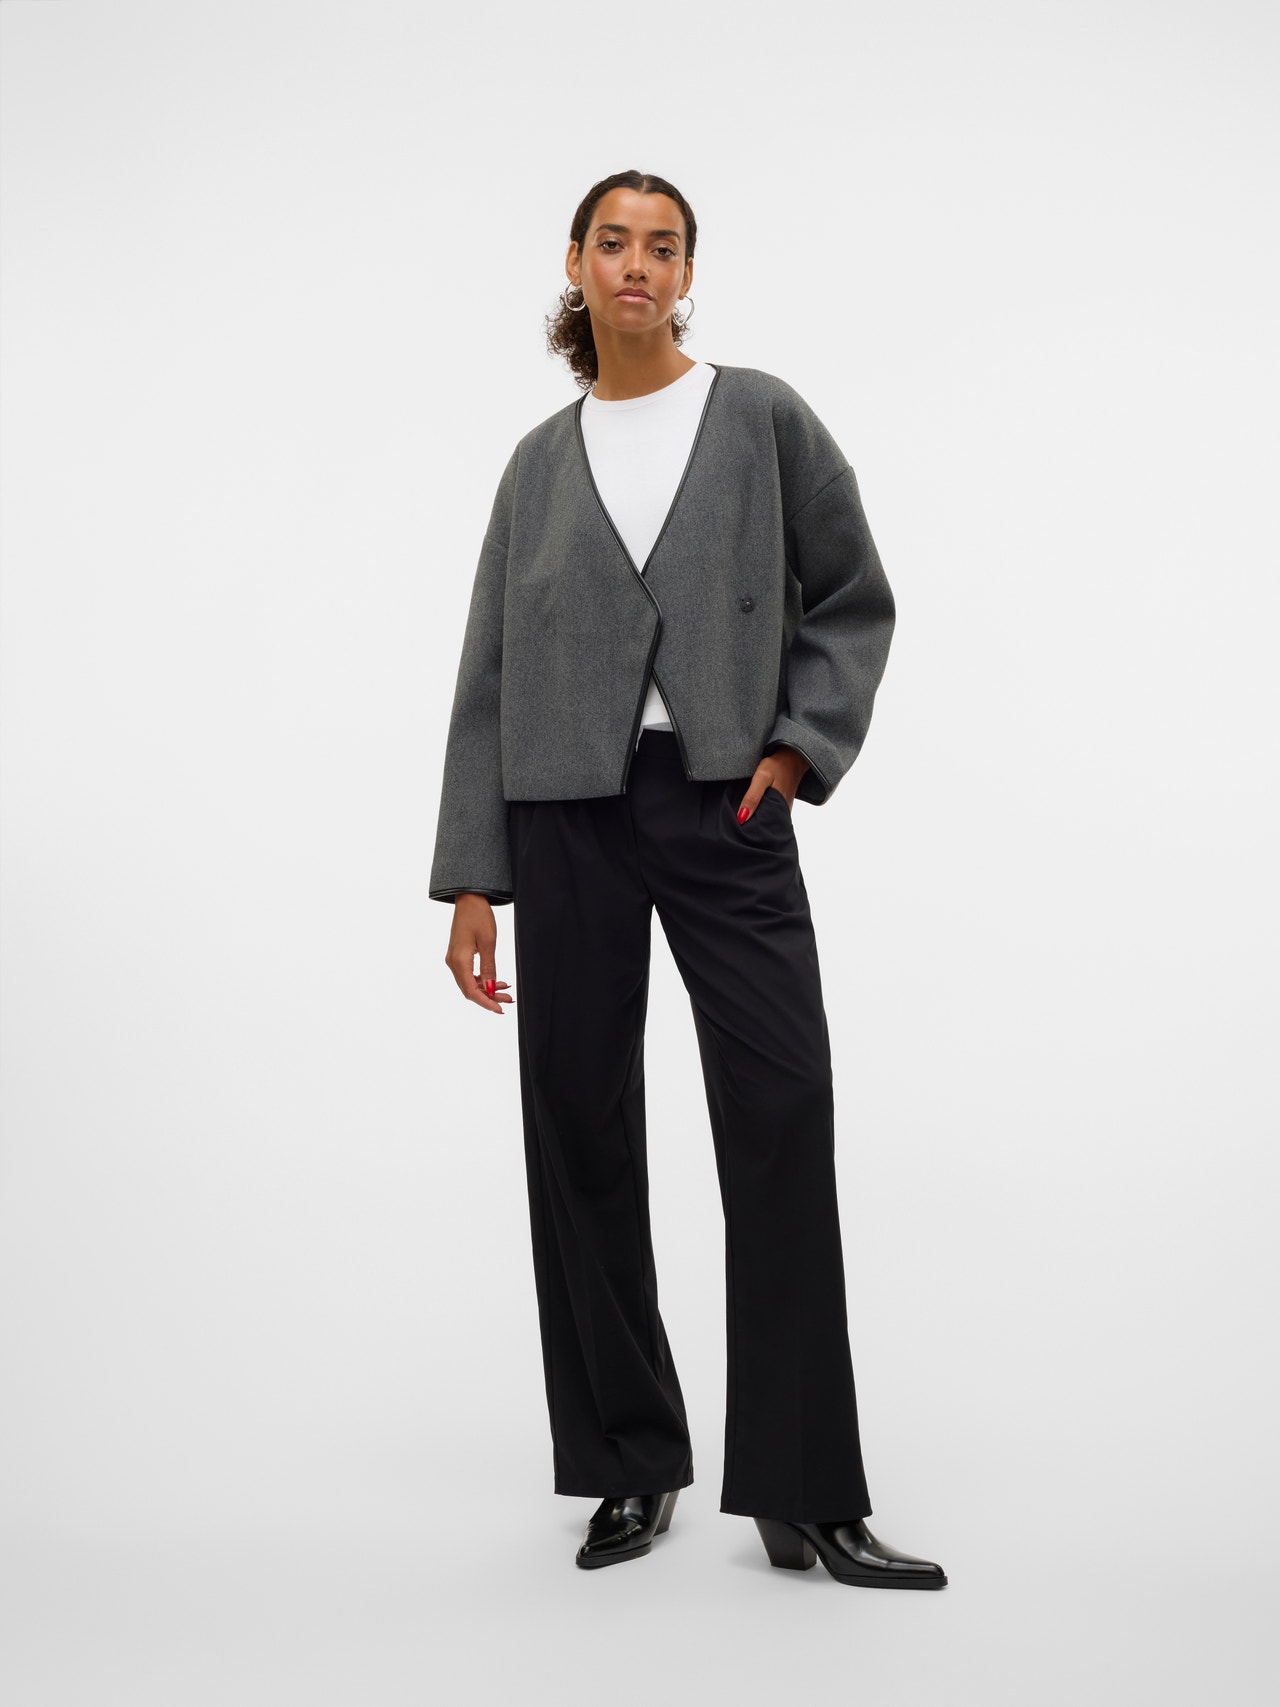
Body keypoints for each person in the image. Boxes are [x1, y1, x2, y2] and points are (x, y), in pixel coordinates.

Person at [429, 169, 946, 1590]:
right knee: (577, 1126)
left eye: (663, 246)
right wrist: (473, 875)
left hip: (729, 805)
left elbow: (854, 597)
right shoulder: (536, 465)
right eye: (615, 242)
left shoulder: (763, 418)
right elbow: (487, 675)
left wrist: (796, 749)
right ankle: (628, 1460)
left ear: (688, 273)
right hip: (563, 817)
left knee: (780, 1113)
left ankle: (804, 1491)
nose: (638, 266)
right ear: (577, 266)